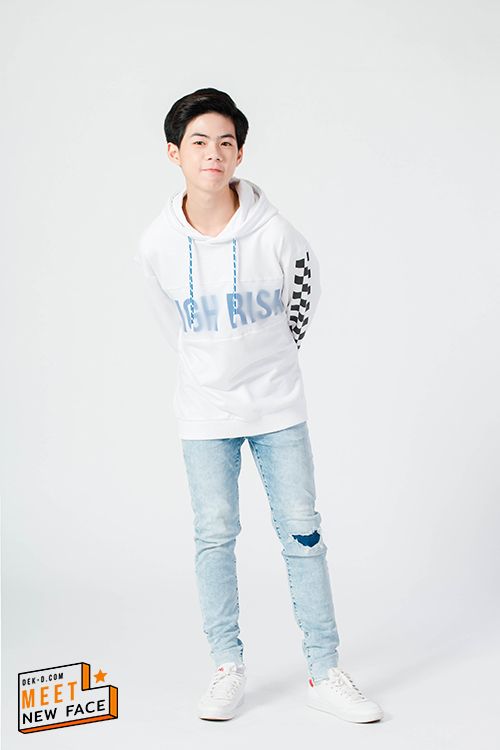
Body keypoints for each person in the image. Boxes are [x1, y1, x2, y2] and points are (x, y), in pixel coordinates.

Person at [134, 87, 383, 724]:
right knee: (214, 537)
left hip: (278, 408)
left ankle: (324, 670)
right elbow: (173, 327)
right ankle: (227, 667)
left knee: (303, 534)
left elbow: (305, 297)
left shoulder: (276, 232)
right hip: (204, 413)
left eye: (225, 142)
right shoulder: (157, 243)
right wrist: (210, 366)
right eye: (198, 142)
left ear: (240, 153)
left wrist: (268, 360)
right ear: (174, 153)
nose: (212, 154)